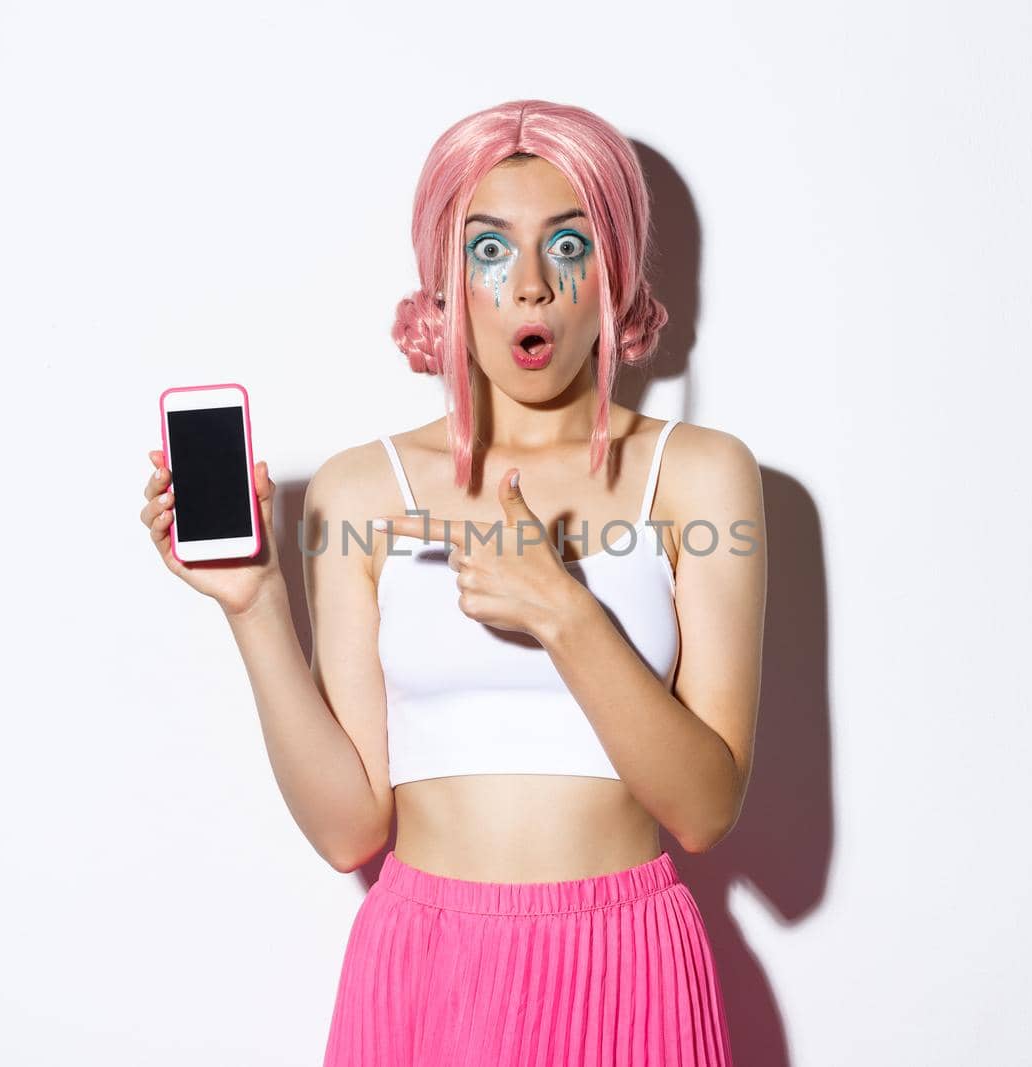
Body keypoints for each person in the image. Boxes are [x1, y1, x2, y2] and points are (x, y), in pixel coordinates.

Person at [140, 99, 765, 1065]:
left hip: (627, 960)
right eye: (488, 251)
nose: (529, 288)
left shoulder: (697, 474)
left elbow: (705, 807)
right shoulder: (361, 489)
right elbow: (351, 830)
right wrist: (257, 604)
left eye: (570, 245)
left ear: (616, 272)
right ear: (443, 281)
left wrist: (563, 611)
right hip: (425, 966)